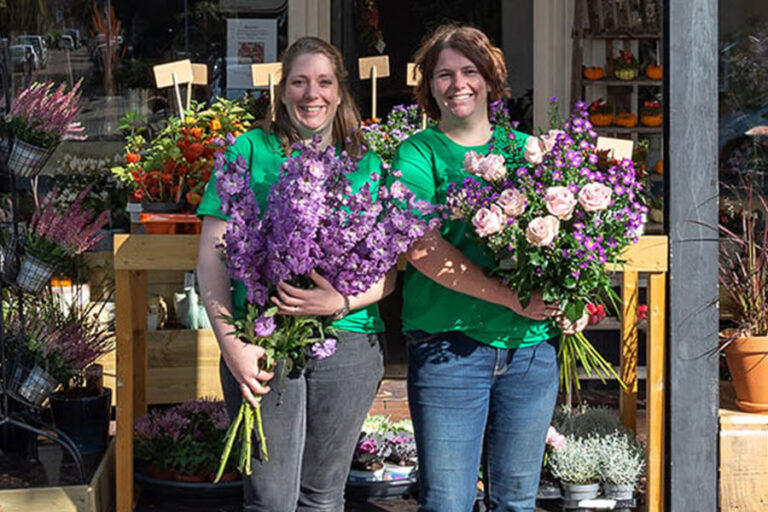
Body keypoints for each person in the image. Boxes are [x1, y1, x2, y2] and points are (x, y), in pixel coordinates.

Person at [391, 25, 588, 512]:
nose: (458, 84)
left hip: (529, 353)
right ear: (429, 84)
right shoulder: (418, 154)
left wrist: (574, 300)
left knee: (516, 502)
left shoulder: (528, 152)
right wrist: (512, 296)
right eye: (444, 74)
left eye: (469, 71)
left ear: (490, 78)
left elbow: (570, 244)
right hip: (448, 350)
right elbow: (419, 247)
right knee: (447, 502)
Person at [197, 36, 393, 512]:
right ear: (282, 91)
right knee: (270, 498)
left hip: (348, 340)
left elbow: (388, 271)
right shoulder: (250, 149)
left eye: (324, 82)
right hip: (262, 338)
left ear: (340, 92)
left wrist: (340, 302)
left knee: (323, 497)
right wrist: (233, 346)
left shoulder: (365, 164)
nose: (312, 94)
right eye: (299, 82)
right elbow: (212, 254)